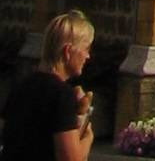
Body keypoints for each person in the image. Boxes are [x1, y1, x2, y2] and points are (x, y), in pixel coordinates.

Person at [1, 13, 95, 161]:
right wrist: (88, 138)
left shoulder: (21, 87)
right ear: (68, 51)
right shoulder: (61, 95)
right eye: (86, 49)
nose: (88, 56)